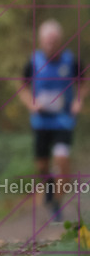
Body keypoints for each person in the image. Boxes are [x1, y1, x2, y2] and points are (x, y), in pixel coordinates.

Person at [18, 19, 86, 223]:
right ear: (40, 41)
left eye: (54, 40)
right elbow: (22, 87)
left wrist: (78, 101)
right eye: (47, 41)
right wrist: (31, 104)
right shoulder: (33, 62)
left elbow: (83, 82)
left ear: (60, 41)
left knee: (62, 160)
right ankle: (48, 189)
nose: (50, 44)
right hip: (41, 122)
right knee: (42, 166)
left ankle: (56, 203)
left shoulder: (71, 61)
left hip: (63, 120)